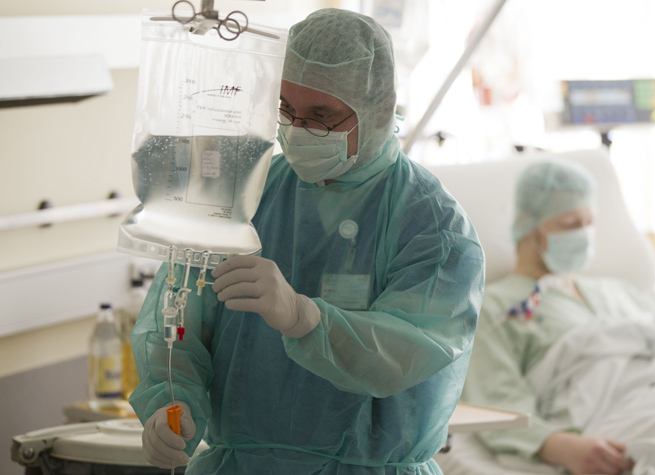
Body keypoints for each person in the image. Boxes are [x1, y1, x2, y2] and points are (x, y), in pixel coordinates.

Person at [129, 8, 485, 475]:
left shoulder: (430, 225)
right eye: (286, 109)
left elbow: (407, 352)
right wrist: (172, 404)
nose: (297, 130)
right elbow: (177, 321)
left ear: (376, 112)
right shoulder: (244, 197)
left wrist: (304, 317)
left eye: (322, 116)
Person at [459, 160, 655, 475]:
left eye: (589, 222)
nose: (583, 234)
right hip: (629, 414)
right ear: (528, 226)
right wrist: (564, 446)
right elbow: (496, 402)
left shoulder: (621, 291)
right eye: (571, 223)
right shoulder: (493, 308)